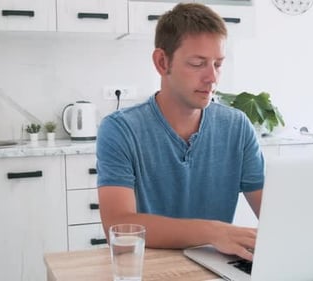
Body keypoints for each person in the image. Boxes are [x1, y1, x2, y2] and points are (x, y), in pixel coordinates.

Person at [96, 3, 264, 261]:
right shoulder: (121, 130)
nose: (212, 78)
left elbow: (273, 215)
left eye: (218, 64)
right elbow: (118, 226)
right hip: (149, 270)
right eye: (198, 64)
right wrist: (212, 231)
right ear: (162, 62)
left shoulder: (238, 127)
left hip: (215, 271)